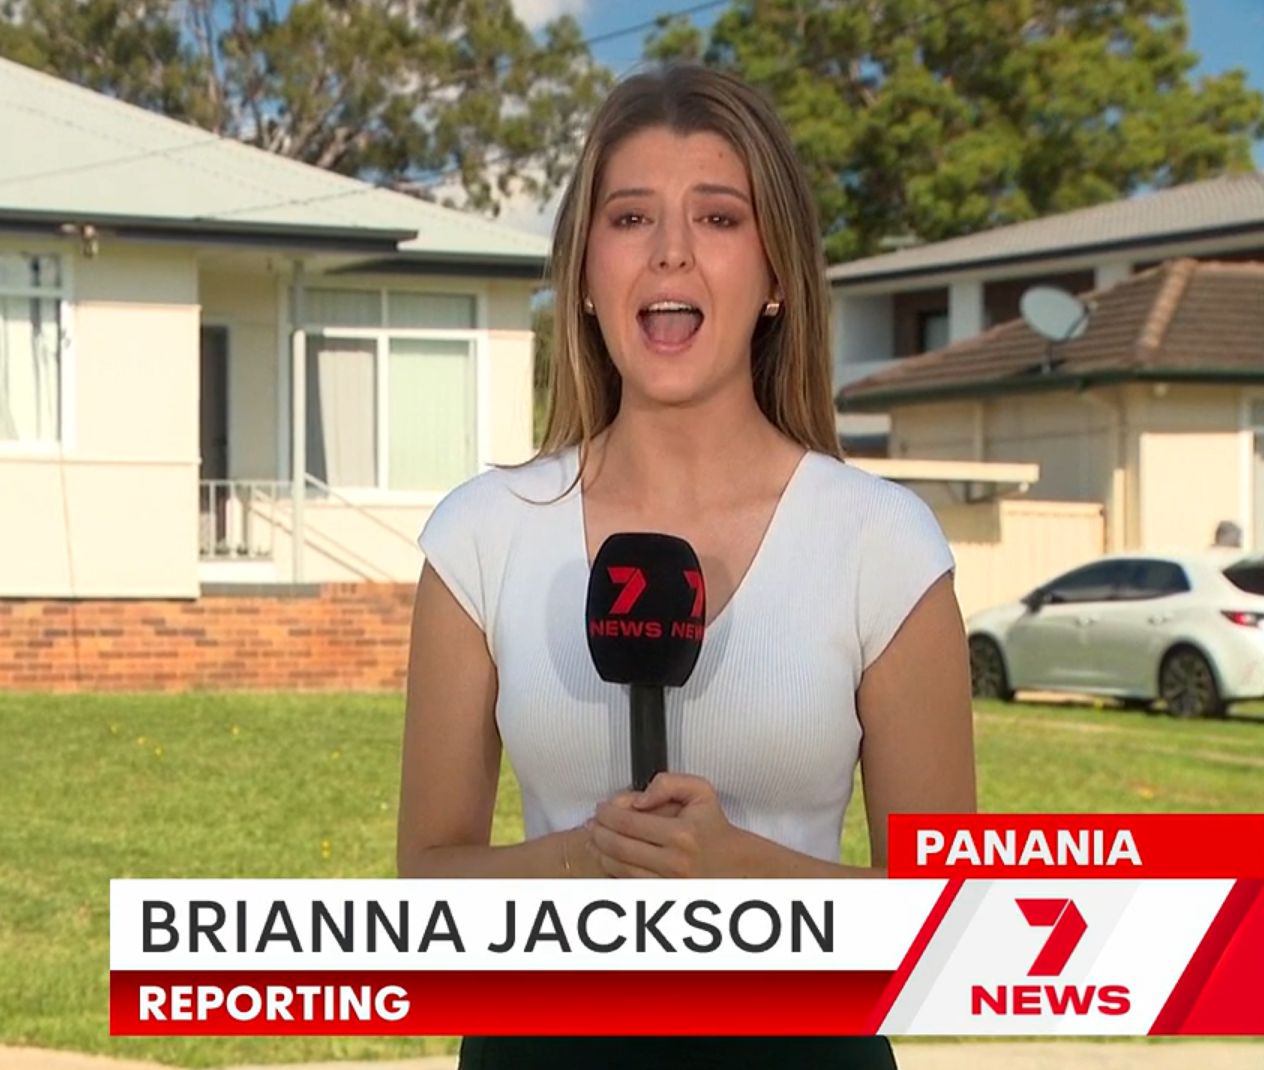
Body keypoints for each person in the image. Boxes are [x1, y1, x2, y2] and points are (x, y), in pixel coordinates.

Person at [397, 64, 976, 1069]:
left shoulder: (882, 544)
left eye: (717, 217)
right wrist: (589, 861)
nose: (670, 250)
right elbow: (426, 886)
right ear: (584, 274)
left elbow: (954, 924)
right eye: (630, 218)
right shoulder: (481, 536)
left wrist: (740, 873)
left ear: (777, 274)